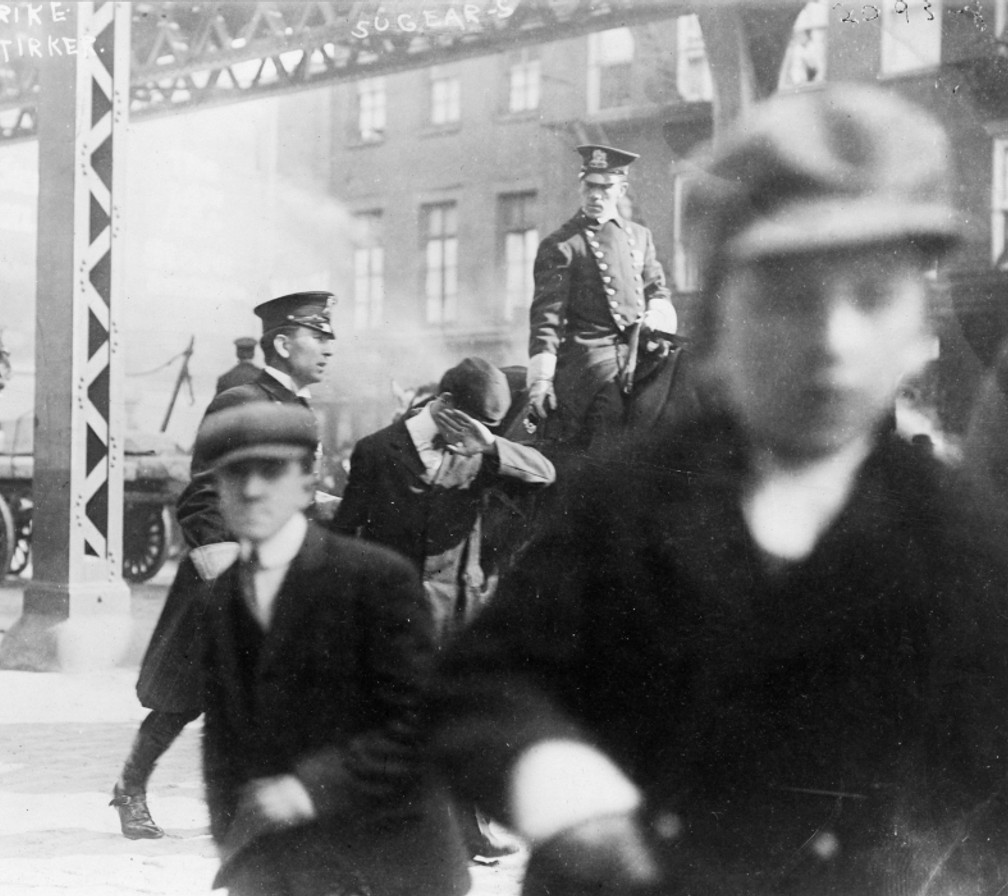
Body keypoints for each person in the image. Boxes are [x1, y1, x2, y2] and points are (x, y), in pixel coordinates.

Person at [428, 85, 1008, 896]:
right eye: (788, 298)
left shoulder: (957, 533)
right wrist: (558, 784)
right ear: (723, 324)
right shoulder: (623, 501)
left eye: (874, 295)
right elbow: (481, 684)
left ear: (920, 329)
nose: (833, 341)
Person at [197, 402, 469, 896]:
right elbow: (221, 738)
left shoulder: (375, 578)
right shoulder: (222, 597)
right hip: (282, 868)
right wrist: (232, 840)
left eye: (271, 471)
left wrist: (308, 789)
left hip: (392, 863)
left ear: (307, 484)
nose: (252, 489)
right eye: (235, 474)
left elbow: (421, 722)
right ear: (216, 489)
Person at [111, 291, 336, 839]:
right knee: (182, 697)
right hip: (227, 574)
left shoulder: (299, 409)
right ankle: (130, 788)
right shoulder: (241, 400)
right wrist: (224, 568)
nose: (329, 348)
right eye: (317, 336)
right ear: (282, 344)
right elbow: (202, 494)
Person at [331, 356, 553, 861]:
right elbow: (346, 532)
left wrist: (491, 445)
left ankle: (470, 829)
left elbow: (545, 475)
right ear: (445, 403)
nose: (482, 432)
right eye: (479, 422)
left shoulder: (481, 448)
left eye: (491, 426)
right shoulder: (378, 451)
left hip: (459, 612)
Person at [526, 144, 677, 450]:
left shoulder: (640, 236)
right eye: (589, 186)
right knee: (611, 411)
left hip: (640, 347)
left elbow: (657, 289)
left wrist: (655, 316)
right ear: (580, 187)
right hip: (590, 356)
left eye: (605, 187)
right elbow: (547, 318)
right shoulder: (562, 245)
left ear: (621, 190)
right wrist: (541, 380)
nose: (595, 195)